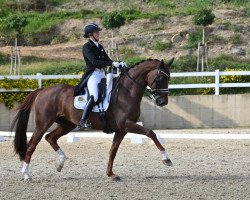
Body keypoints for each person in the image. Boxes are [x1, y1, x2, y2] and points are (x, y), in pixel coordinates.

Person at [77, 23, 126, 130]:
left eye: (98, 32)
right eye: (96, 32)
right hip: (93, 74)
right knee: (94, 96)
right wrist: (111, 64)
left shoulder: (100, 46)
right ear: (90, 34)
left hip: (103, 74)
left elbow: (108, 60)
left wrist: (119, 63)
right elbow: (94, 62)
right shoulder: (87, 47)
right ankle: (83, 121)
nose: (98, 33)